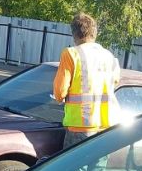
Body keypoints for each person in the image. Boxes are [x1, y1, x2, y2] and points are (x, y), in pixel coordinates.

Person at [52, 12, 121, 151]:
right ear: (94, 33)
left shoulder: (71, 54)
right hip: (106, 125)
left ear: (75, 34)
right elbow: (115, 83)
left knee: (74, 170)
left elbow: (59, 93)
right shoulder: (109, 56)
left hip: (80, 127)